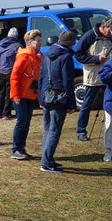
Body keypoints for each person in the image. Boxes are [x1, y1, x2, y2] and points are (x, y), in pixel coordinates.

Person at [38, 31, 77, 173]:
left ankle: (47, 159)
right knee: (54, 131)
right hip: (59, 98)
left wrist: (41, 98)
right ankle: (46, 163)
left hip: (47, 96)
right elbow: (68, 82)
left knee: (48, 129)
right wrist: (72, 104)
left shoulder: (47, 54)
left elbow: (41, 77)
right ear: (70, 43)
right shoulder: (66, 57)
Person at [75, 17, 112, 141]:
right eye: (110, 31)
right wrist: (95, 59)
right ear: (103, 27)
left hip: (108, 75)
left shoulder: (111, 37)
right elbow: (78, 55)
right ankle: (81, 131)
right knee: (87, 104)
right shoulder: (89, 36)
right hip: (93, 76)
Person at [10, 29, 42, 160]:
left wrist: (40, 98)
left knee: (26, 122)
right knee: (22, 122)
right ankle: (16, 149)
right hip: (21, 94)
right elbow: (14, 75)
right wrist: (16, 95)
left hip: (30, 93)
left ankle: (21, 148)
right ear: (30, 42)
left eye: (40, 40)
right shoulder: (24, 55)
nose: (40, 43)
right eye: (38, 41)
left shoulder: (39, 56)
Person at [0, 27, 21, 120]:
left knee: (1, 92)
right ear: (16, 36)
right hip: (9, 72)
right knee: (9, 93)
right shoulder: (17, 45)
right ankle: (6, 114)